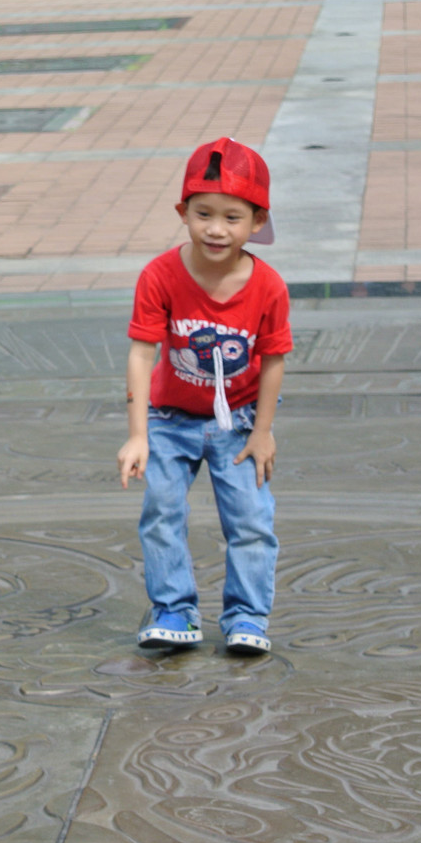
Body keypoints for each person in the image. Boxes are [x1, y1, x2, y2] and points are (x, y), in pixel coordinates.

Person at [116, 137, 293, 657]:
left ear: (257, 221)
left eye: (232, 217)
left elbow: (274, 359)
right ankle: (174, 609)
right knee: (161, 511)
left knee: (251, 519)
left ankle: (247, 616)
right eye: (203, 214)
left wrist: (263, 432)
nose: (216, 229)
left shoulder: (269, 287)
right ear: (183, 213)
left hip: (238, 420)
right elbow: (142, 354)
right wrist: (138, 435)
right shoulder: (160, 276)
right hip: (169, 418)